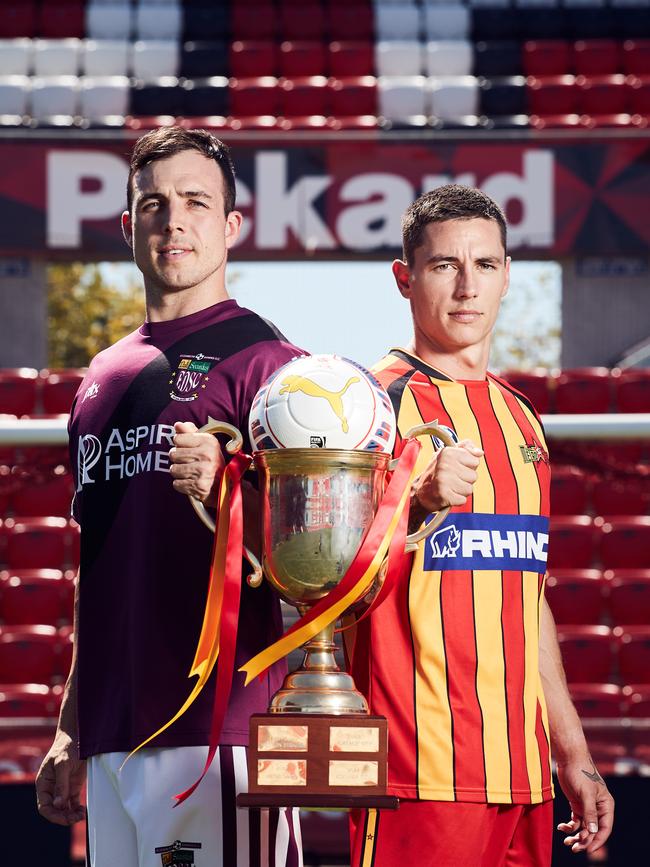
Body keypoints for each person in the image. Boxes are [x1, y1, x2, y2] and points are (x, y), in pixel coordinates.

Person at [35, 127, 304, 867]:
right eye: (154, 203)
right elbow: (101, 567)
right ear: (128, 225)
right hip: (113, 735)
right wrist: (71, 725)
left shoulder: (273, 366)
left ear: (231, 225)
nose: (173, 220)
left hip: (216, 733)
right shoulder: (99, 376)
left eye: (195, 201)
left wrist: (228, 495)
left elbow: (317, 563)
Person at [348, 185, 615, 867]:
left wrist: (573, 751)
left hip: (523, 778)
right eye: (444, 266)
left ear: (506, 273)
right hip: (418, 771)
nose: (468, 287)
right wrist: (413, 502)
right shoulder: (368, 405)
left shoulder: (523, 418)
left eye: (486, 265)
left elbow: (526, 594)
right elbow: (320, 573)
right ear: (404, 279)